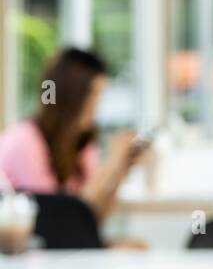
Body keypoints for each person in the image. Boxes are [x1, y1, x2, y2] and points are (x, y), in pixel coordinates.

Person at [0, 48, 147, 220]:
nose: (97, 106)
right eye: (93, 95)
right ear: (70, 94)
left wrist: (121, 169)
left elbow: (93, 216)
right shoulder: (24, 141)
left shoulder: (82, 144)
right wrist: (113, 162)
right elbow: (61, 221)